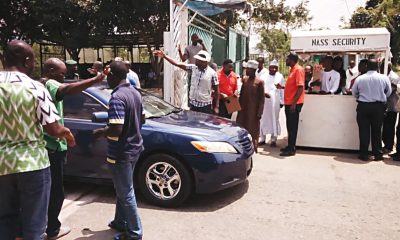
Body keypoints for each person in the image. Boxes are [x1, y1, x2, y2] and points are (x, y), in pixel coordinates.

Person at [0, 40, 75, 240]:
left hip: (2, 165)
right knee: (34, 225)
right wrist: (67, 134)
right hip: (32, 164)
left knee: (5, 221)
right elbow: (53, 129)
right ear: (26, 61)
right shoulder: (35, 88)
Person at [40, 58, 106, 239]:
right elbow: (66, 90)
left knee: (46, 190)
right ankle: (52, 229)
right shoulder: (50, 83)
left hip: (45, 145)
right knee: (55, 192)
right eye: (62, 73)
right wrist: (94, 81)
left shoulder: (39, 85)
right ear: (51, 70)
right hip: (53, 145)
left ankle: (43, 226)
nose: (64, 76)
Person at [93, 61, 144, 240]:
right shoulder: (135, 93)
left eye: (108, 75)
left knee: (126, 192)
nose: (106, 78)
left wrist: (100, 132)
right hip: (135, 148)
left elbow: (116, 129)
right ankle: (120, 222)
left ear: (113, 76)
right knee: (123, 188)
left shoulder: (117, 97)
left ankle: (134, 233)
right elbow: (142, 119)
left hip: (121, 152)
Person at [154, 49, 219, 114]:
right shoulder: (193, 68)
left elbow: (216, 91)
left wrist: (216, 106)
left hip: (205, 105)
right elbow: (177, 63)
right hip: (193, 104)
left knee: (203, 123)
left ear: (205, 62)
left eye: (198, 60)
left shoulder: (212, 73)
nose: (196, 61)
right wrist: (164, 56)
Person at [352, 59, 391, 161]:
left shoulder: (360, 79)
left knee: (363, 131)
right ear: (378, 66)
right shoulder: (384, 78)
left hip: (363, 106)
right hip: (378, 107)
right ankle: (377, 154)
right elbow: (388, 92)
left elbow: (354, 93)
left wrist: (361, 97)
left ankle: (364, 154)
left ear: (366, 67)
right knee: (377, 131)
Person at [236, 60, 265, 151]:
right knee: (241, 126)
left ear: (253, 70)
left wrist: (259, 112)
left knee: (252, 128)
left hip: (253, 110)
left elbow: (262, 99)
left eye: (248, 69)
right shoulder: (244, 79)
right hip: (243, 109)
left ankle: (253, 146)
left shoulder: (259, 82)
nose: (246, 71)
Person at [280, 52, 305, 157]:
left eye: (287, 59)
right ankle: (290, 146)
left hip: (294, 103)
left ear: (292, 60)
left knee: (292, 126)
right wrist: (282, 87)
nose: (286, 61)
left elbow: (300, 87)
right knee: (289, 126)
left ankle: (291, 149)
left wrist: (294, 103)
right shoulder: (292, 69)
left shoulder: (298, 69)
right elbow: (292, 87)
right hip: (289, 102)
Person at [259, 60, 284, 147]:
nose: (273, 69)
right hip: (265, 102)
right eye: (272, 67)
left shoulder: (280, 76)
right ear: (269, 67)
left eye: (275, 68)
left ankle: (273, 139)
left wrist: (281, 101)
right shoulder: (263, 76)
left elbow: (282, 90)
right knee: (263, 119)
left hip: (276, 102)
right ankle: (262, 138)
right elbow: (260, 89)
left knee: (275, 119)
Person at [381, 62, 400, 155]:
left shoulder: (394, 77)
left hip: (391, 106)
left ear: (388, 67)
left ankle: (389, 146)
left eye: (382, 65)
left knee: (389, 127)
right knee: (384, 127)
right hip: (384, 106)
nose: (380, 67)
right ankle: (386, 145)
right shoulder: (382, 74)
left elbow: (389, 91)